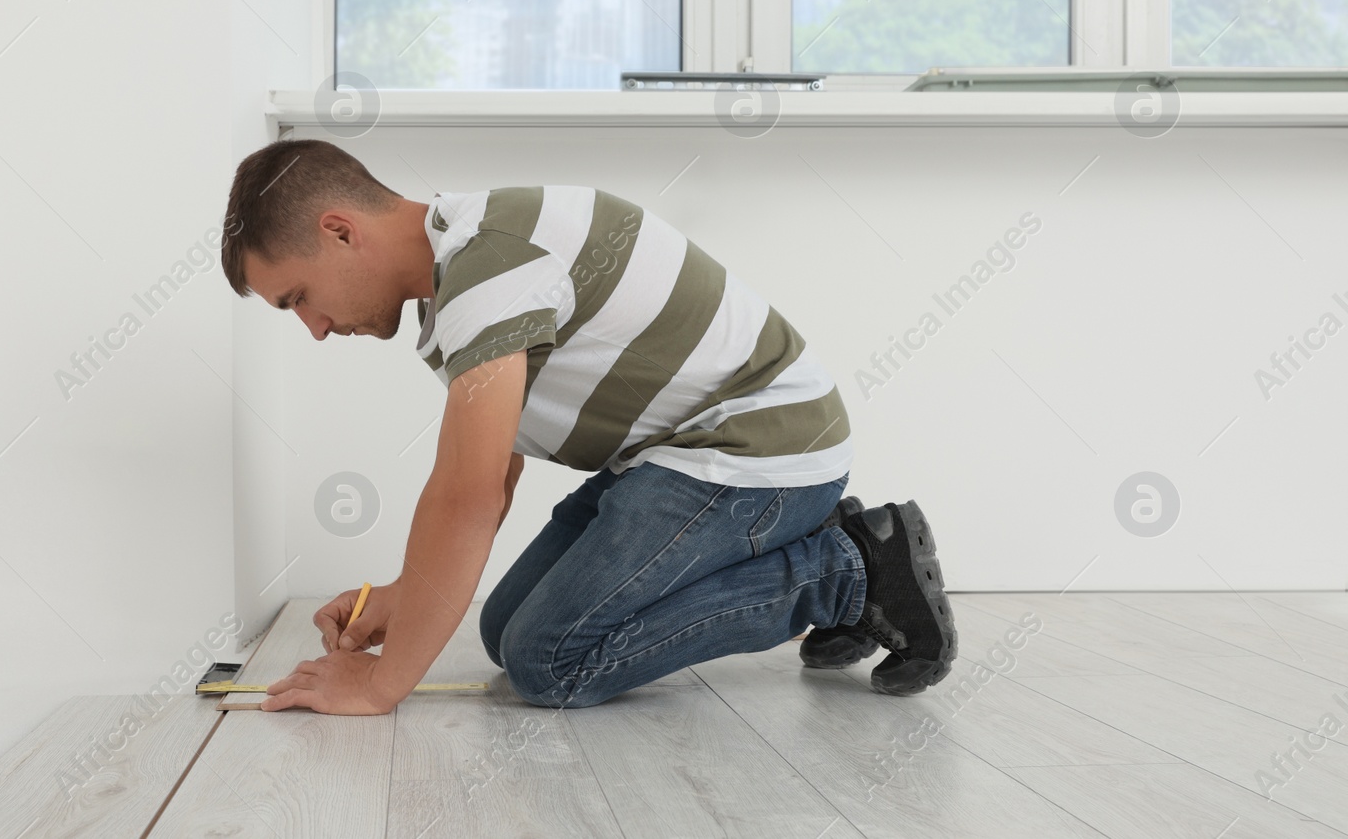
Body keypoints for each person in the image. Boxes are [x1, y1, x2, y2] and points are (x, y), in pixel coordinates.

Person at [218, 139, 956, 714]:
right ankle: (819, 547)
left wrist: (380, 687)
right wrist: (406, 593)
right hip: (684, 456)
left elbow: (466, 496)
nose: (314, 328)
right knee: (504, 629)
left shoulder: (489, 272)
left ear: (340, 231)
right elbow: (494, 475)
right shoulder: (466, 266)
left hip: (757, 450)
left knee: (549, 661)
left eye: (299, 297)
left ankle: (847, 569)